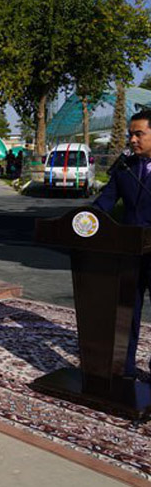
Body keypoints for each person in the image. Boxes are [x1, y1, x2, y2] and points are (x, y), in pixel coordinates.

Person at [93, 109, 151, 378]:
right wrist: (85, 221)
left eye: (139, 134)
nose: (133, 140)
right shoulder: (125, 165)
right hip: (129, 252)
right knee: (126, 314)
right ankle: (123, 369)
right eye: (131, 134)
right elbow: (105, 201)